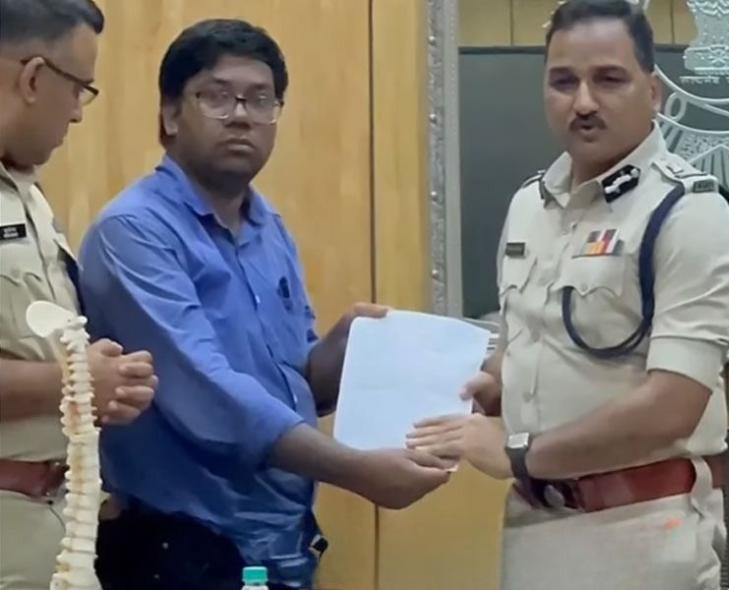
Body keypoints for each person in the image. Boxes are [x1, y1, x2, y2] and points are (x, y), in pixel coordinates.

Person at [77, 19, 450, 590]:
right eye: (217, 97)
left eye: (260, 99)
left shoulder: (268, 226)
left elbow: (296, 384)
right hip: (179, 550)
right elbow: (209, 396)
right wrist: (356, 472)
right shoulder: (135, 231)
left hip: (283, 543)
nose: (242, 115)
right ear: (171, 115)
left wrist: (345, 347)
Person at [408, 1, 729, 589]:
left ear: (655, 92)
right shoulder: (529, 206)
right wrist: (493, 383)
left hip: (645, 531)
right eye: (563, 82)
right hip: (533, 525)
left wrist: (515, 452)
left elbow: (673, 405)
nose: (583, 102)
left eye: (608, 79)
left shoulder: (691, 213)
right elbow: (531, 347)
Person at [0, 1, 157, 588]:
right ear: (34, 77)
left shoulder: (26, 193)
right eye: (79, 89)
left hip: (55, 524)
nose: (78, 115)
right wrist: (74, 381)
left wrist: (93, 387)